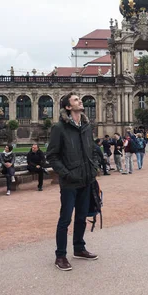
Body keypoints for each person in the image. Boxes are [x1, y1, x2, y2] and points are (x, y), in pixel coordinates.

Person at [46, 92, 99, 271]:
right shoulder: (59, 128)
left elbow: (93, 150)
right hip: (70, 182)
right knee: (65, 219)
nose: (80, 100)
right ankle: (60, 255)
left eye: (79, 99)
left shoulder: (86, 126)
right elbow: (52, 156)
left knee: (82, 217)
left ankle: (79, 248)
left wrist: (94, 168)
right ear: (68, 107)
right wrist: (66, 174)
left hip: (86, 179)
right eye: (76, 99)